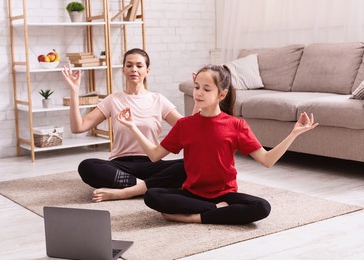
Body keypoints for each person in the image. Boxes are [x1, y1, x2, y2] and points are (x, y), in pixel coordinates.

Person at [117, 64, 319, 225]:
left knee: (262, 207)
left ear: (221, 95)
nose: (199, 93)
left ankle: (194, 216)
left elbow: (267, 160)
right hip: (192, 193)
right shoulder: (184, 125)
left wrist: (294, 134)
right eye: (196, 87)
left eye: (206, 89)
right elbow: (154, 155)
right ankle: (215, 211)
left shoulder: (236, 125)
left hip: (225, 193)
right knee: (153, 195)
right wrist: (133, 126)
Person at [61, 48, 186, 202]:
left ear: (147, 70)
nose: (134, 69)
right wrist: (74, 92)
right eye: (129, 65)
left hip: (152, 163)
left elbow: (187, 128)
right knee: (87, 166)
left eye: (139, 66)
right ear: (123, 70)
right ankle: (146, 187)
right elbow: (78, 127)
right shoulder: (113, 100)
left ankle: (126, 190)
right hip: (121, 165)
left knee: (189, 165)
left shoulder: (158, 100)